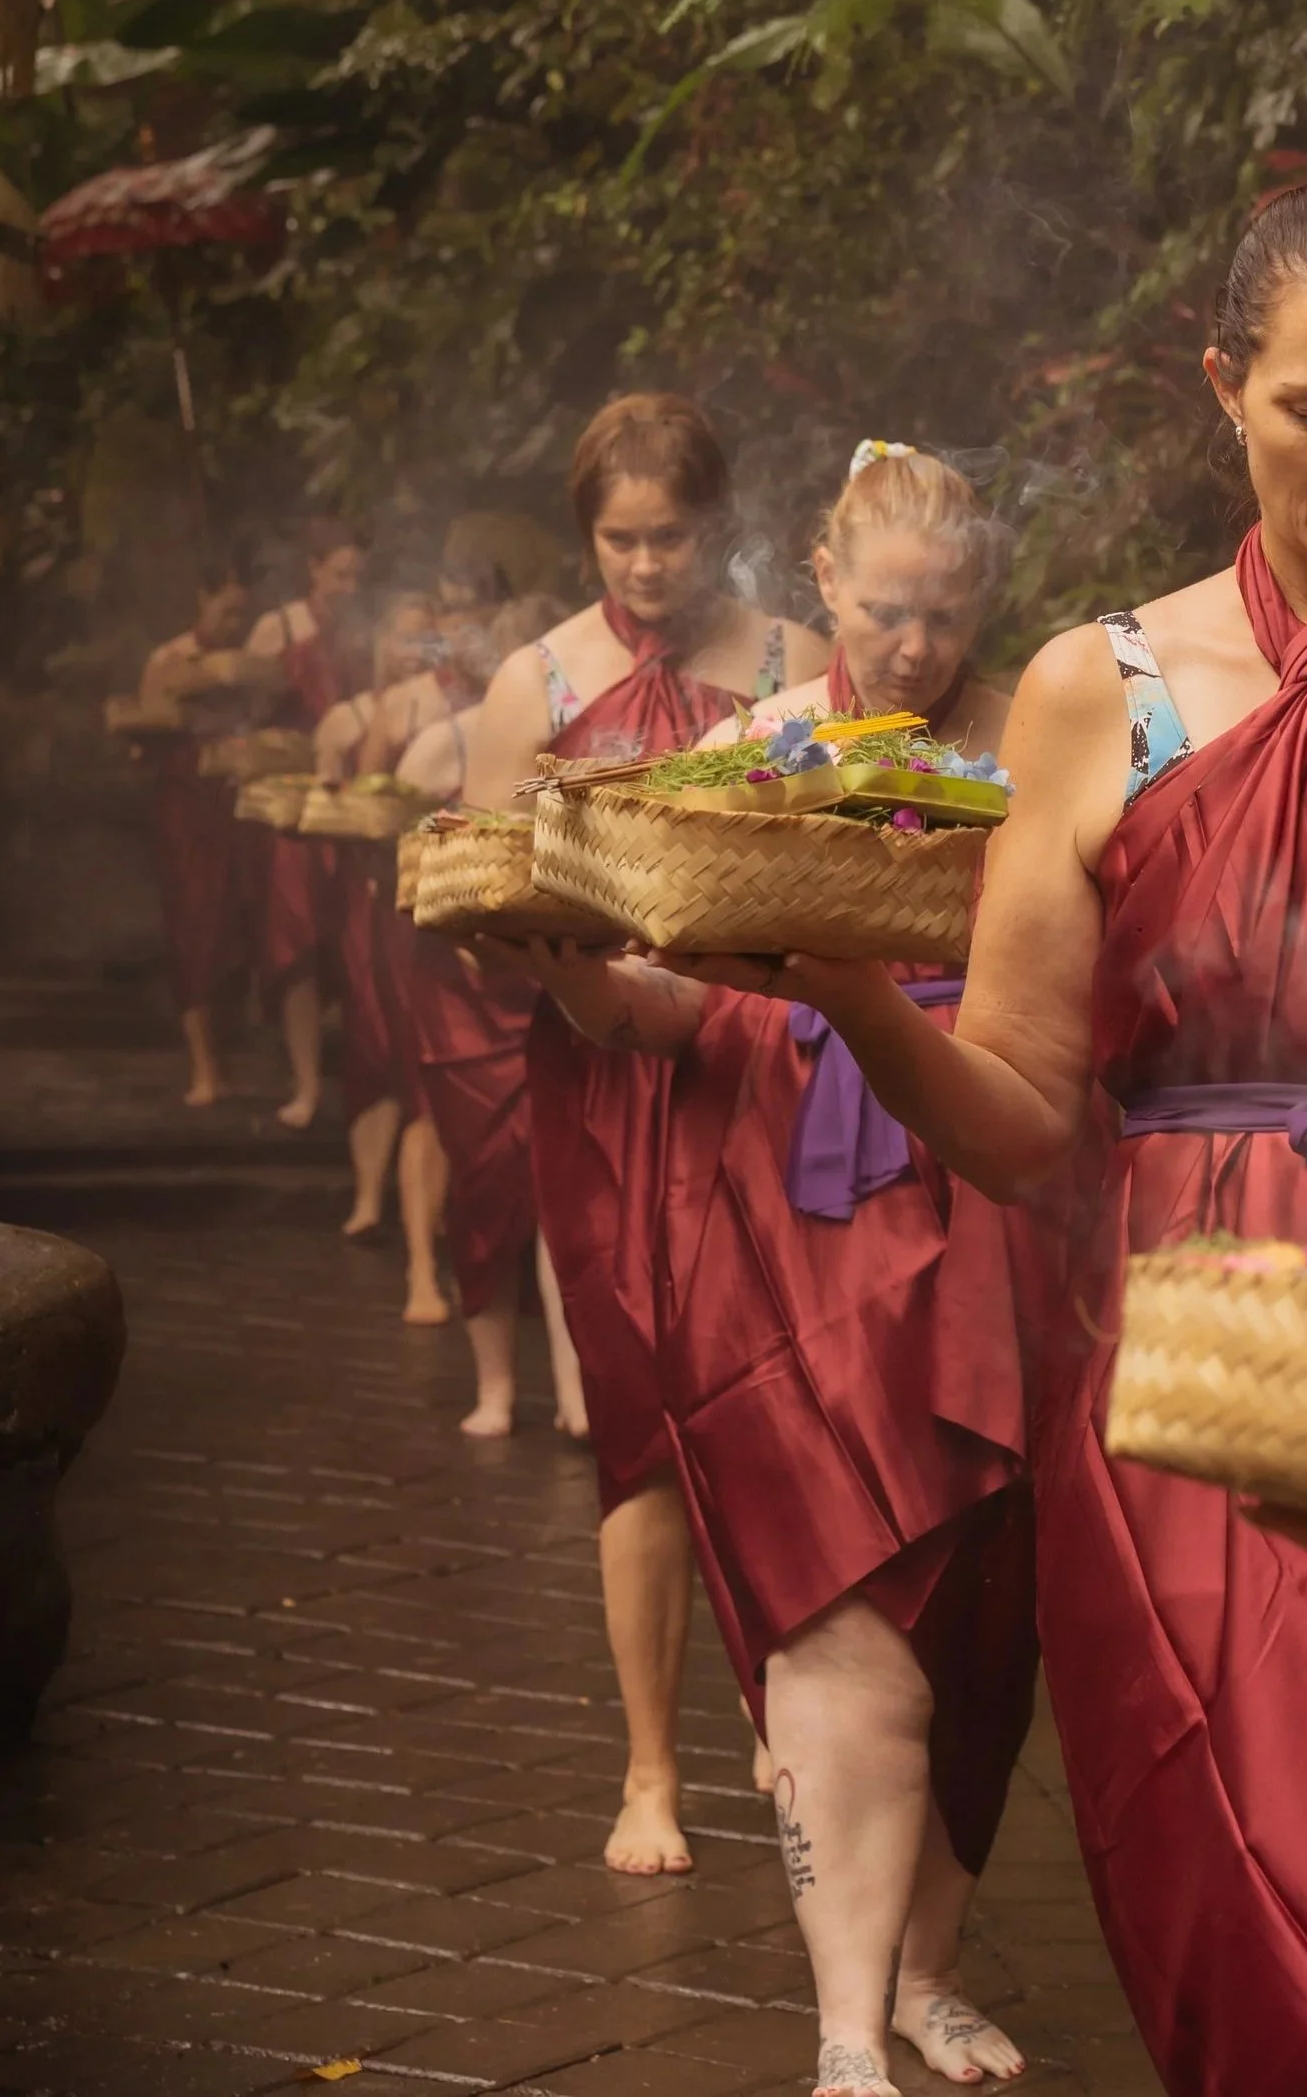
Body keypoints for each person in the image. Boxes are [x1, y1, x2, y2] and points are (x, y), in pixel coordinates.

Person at [751, 184, 1307, 2097]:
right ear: (1224, 388)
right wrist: (864, 1000)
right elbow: (1034, 1113)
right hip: (1182, 1385)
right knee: (1229, 1922)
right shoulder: (1097, 688)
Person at [538, 445, 1034, 2097]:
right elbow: (666, 1004)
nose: (911, 645)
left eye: (944, 614)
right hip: (795, 1225)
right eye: (885, 610)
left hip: (984, 1197)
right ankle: (843, 2028)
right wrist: (573, 975)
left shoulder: (1028, 742)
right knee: (835, 1612)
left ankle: (931, 1974)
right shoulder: (755, 750)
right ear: (824, 583)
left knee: (981, 1610)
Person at [455, 394, 827, 1875]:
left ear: (716, 523)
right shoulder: (532, 681)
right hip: (600, 1084)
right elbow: (475, 896)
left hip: (758, 1060)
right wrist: (562, 949)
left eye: (673, 534)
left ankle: (779, 1706)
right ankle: (648, 1771)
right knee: (638, 1414)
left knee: (777, 1392)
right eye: (621, 537)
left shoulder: (796, 660)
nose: (650, 563)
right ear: (585, 533)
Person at [392, 592, 581, 1426]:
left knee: (569, 1196)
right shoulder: (455, 737)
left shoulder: (591, 746)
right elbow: (413, 840)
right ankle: (496, 1388)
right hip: (469, 987)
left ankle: (579, 1395)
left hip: (563, 974)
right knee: (485, 1188)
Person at [310, 591, 448, 1318]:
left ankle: (435, 1231)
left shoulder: (485, 700)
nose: (419, 650)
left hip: (448, 903)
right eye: (407, 637)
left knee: (426, 1065)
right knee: (375, 1043)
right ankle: (369, 1196)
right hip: (386, 891)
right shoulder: (392, 709)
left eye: (430, 637)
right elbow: (369, 801)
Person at [245, 521, 368, 1130]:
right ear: (314, 569)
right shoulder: (281, 628)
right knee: (295, 947)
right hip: (294, 804)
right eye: (340, 574)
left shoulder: (362, 630)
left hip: (349, 799)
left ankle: (353, 1082)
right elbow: (244, 705)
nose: (350, 587)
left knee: (346, 945)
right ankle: (306, 1082)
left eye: (357, 576)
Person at [135, 561, 262, 1107]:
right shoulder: (169, 658)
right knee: (193, 928)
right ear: (201, 598)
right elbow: (143, 732)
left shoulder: (253, 662)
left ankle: (231, 1058)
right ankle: (203, 1067)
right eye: (226, 608)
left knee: (239, 925)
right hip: (184, 808)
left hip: (237, 804)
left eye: (242, 612)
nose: (234, 621)